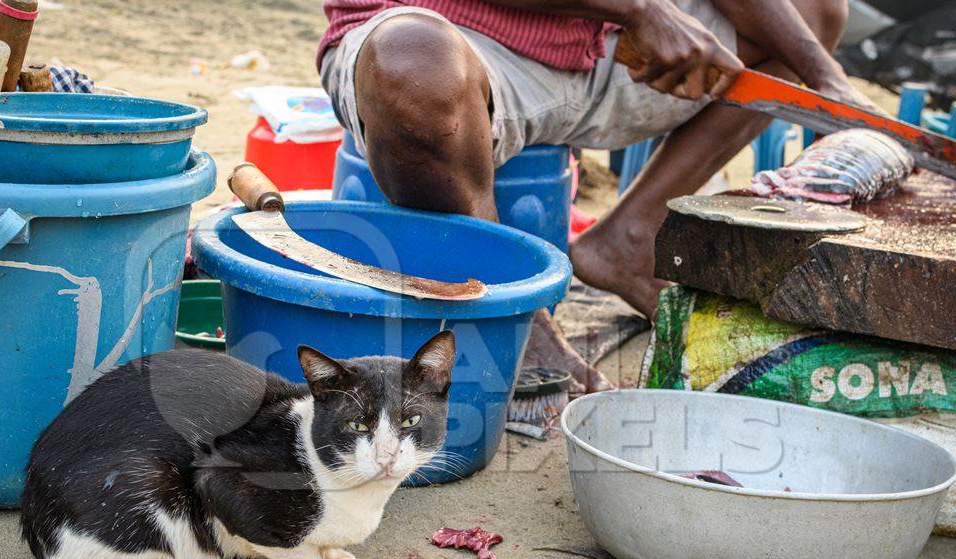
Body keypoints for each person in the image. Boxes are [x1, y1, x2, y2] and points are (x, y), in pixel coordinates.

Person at [317, 0, 876, 392]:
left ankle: (634, 238)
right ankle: (513, 312)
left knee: (813, 8)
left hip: (604, 46)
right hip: (448, 38)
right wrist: (643, 9)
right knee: (411, 63)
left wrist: (829, 83)